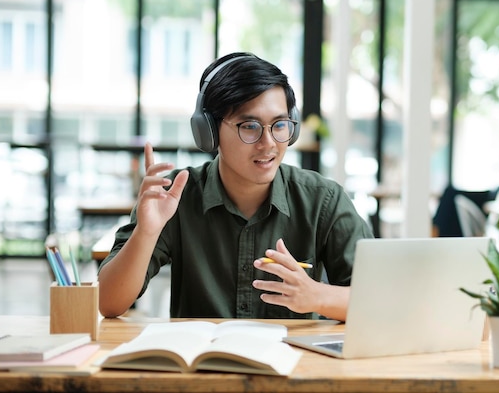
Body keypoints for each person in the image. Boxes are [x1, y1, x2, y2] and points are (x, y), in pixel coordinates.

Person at [97, 52, 373, 321]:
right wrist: (147, 231)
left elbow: (380, 301)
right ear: (209, 131)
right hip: (204, 364)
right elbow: (109, 304)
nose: (269, 143)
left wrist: (316, 295)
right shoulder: (175, 196)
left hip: (293, 364)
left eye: (279, 125)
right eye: (250, 126)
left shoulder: (323, 200)